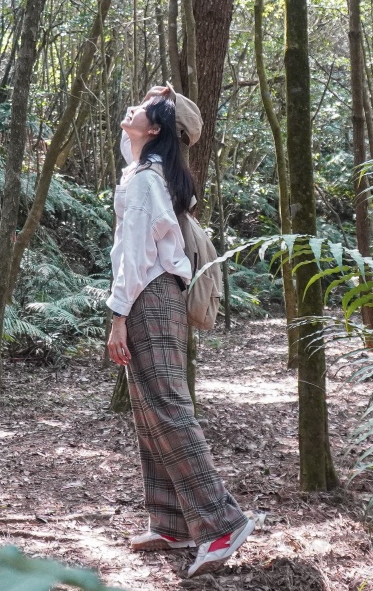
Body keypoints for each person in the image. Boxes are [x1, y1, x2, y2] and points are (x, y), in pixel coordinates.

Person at [107, 83, 253, 577]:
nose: (130, 109)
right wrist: (155, 102)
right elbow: (133, 147)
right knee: (151, 410)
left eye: (141, 110)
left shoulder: (147, 181)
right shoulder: (145, 171)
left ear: (155, 130)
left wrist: (118, 316)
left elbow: (133, 254)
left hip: (147, 297)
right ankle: (171, 522)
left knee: (167, 410)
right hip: (156, 296)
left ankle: (222, 523)